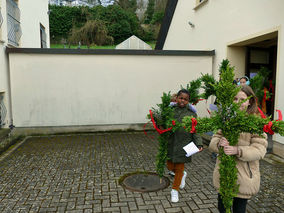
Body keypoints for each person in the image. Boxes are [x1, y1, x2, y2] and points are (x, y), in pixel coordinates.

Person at [209, 85, 268, 213]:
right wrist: (219, 143)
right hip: (224, 175)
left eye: (242, 99)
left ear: (250, 102)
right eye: (235, 99)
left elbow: (260, 149)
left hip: (244, 177)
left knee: (238, 210)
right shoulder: (226, 119)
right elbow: (214, 140)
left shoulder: (255, 122)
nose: (238, 102)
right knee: (222, 208)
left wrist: (238, 150)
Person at [167, 89, 203, 202]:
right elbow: (164, 123)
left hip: (184, 144)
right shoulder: (170, 110)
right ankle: (182, 174)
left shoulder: (192, 114)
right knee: (170, 166)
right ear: (177, 98)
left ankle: (175, 190)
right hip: (171, 143)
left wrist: (199, 143)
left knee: (179, 167)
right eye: (181, 98)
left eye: (185, 99)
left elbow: (195, 130)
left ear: (188, 101)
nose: (182, 101)